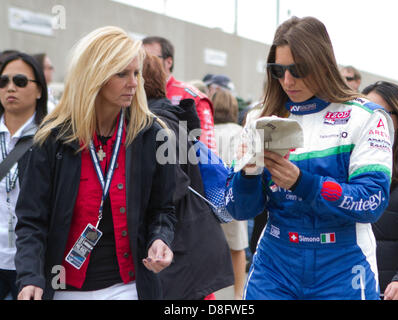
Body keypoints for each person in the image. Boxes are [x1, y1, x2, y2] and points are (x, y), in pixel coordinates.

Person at [225, 16, 393, 300]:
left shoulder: (364, 117)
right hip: (275, 262)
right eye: (278, 70)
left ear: (322, 63)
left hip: (342, 262)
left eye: (298, 70)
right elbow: (240, 210)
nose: (287, 80)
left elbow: (372, 201)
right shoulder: (259, 117)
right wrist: (247, 175)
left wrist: (303, 183)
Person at [14, 26, 177, 300]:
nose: (134, 83)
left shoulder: (153, 136)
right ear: (95, 76)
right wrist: (30, 277)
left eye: (136, 73)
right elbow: (31, 221)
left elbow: (163, 209)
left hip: (129, 287)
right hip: (63, 288)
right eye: (121, 74)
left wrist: (160, 239)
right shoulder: (52, 140)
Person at [142, 52, 233, 299]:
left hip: (178, 248)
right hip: (193, 241)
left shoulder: (157, 124)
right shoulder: (171, 119)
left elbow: (172, 187)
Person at [362, 81, 398, 300]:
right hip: (351, 286)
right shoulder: (345, 164)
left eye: (378, 114)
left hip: (396, 291)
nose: (369, 122)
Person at [0, 52, 48, 300]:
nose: (10, 87)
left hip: (32, 264)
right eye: (3, 81)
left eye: (20, 81)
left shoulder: (52, 139)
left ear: (39, 90)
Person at [142, 36, 217, 152]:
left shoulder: (193, 97)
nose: (143, 63)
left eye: (149, 58)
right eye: (140, 57)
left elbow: (208, 152)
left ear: (168, 62)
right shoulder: (132, 94)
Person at [212, 89, 248, 300]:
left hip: (207, 197)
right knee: (237, 248)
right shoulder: (238, 131)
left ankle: (213, 296)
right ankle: (237, 296)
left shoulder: (206, 130)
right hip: (232, 195)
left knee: (210, 248)